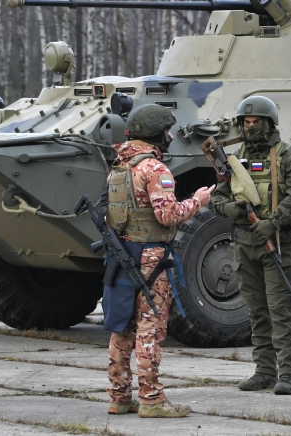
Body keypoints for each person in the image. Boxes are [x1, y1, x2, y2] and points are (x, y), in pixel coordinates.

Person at [105, 104, 214, 418]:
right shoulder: (154, 168)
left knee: (122, 328)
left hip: (122, 256)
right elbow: (168, 215)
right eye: (166, 131)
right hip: (151, 258)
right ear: (156, 133)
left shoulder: (119, 167)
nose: (169, 136)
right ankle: (151, 398)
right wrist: (198, 201)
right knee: (149, 328)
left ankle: (119, 396)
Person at [212, 96, 291, 395]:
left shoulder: (289, 155)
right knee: (257, 311)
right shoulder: (234, 159)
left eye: (257, 123)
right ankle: (265, 370)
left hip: (279, 243)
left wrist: (272, 223)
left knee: (280, 311)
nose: (251, 128)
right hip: (244, 242)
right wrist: (233, 210)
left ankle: (289, 373)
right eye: (247, 123)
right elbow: (218, 199)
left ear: (269, 124)